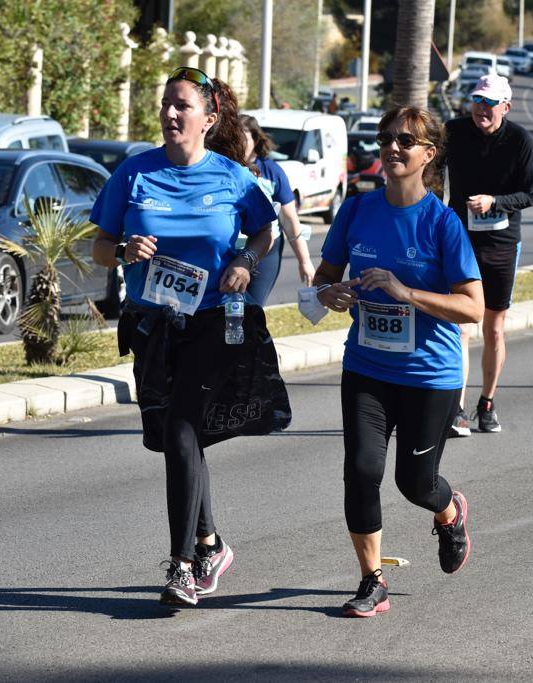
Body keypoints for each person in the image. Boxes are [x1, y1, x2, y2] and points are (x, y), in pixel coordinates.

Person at [90, 67, 287, 608]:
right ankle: (211, 543)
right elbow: (99, 247)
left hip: (211, 320)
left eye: (183, 106)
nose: (172, 114)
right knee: (174, 439)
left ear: (209, 118)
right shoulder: (133, 175)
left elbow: (266, 230)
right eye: (166, 104)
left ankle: (180, 566)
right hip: (153, 324)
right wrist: (125, 251)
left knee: (181, 428)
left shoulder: (231, 177)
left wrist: (245, 261)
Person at [313, 106, 484, 617]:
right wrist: (333, 294)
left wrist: (404, 290)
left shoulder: (442, 223)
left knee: (415, 484)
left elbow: (472, 306)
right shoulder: (356, 211)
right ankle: (372, 581)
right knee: (362, 471)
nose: (392, 147)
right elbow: (323, 280)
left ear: (428, 154)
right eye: (387, 138)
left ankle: (449, 512)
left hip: (430, 374)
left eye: (405, 141)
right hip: (367, 366)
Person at [444, 73, 533, 437]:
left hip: (501, 243)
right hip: (461, 239)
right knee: (460, 326)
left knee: (494, 328)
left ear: (506, 106)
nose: (482, 109)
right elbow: (431, 166)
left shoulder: (519, 140)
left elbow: (530, 194)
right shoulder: (454, 131)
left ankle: (487, 402)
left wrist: (494, 202)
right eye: (477, 101)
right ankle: (456, 408)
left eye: (490, 102)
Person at [239, 114, 315, 305]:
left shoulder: (273, 172)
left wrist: (304, 261)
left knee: (252, 309)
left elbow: (290, 221)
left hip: (266, 251)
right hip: (231, 248)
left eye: (244, 138)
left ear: (255, 140)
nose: (239, 143)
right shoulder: (225, 166)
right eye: (235, 137)